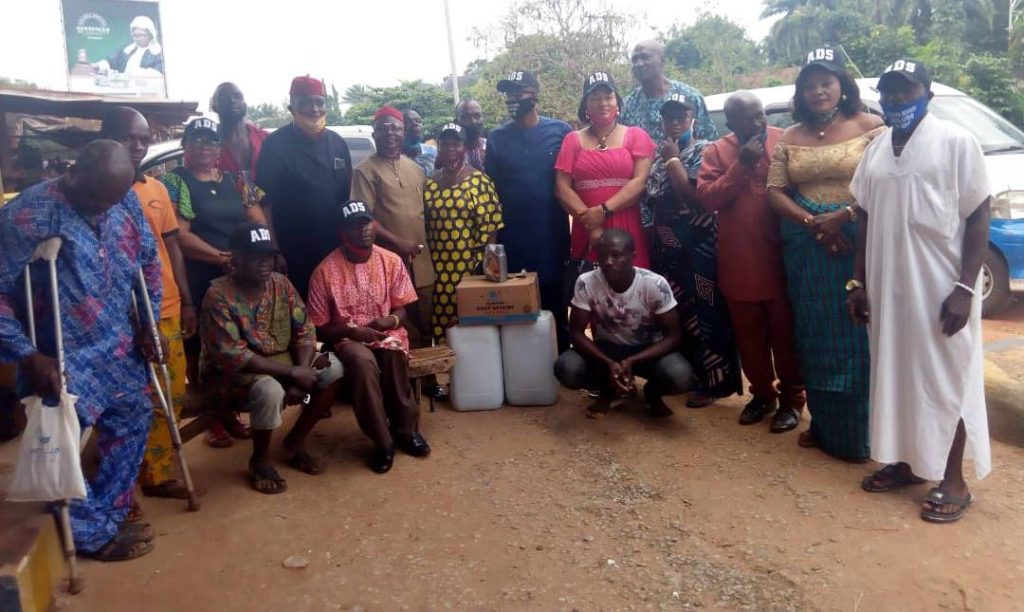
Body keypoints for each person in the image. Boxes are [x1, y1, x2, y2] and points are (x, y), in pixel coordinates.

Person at [0, 140, 163, 561]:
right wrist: (27, 354)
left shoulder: (122, 201)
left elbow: (148, 261)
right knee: (60, 441)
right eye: (94, 198)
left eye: (109, 200)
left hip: (119, 344)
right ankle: (87, 533)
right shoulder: (27, 213)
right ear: (72, 172)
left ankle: (108, 512)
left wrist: (148, 322)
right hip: (60, 354)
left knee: (135, 416)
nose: (100, 208)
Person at [849, 59, 992, 522]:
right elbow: (863, 216)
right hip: (889, 289)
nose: (895, 100)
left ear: (927, 94)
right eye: (888, 91)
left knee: (948, 376)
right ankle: (909, 463)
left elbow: (978, 214)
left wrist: (964, 288)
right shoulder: (875, 151)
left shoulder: (956, 142)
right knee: (896, 373)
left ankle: (953, 480)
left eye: (906, 91)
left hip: (940, 287)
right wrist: (857, 282)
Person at [766, 47, 886, 458]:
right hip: (808, 250)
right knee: (814, 336)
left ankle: (866, 432)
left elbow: (886, 186)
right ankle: (823, 424)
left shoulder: (871, 127)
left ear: (842, 86)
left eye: (826, 83)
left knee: (858, 334)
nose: (818, 92)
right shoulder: (789, 135)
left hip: (857, 242)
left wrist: (845, 215)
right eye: (810, 85)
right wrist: (814, 223)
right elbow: (775, 192)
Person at [100, 107, 200, 507]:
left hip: (165, 306)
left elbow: (172, 245)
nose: (138, 145)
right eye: (129, 137)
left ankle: (156, 472)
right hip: (114, 315)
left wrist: (187, 299)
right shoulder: (99, 187)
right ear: (107, 137)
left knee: (170, 390)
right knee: (124, 399)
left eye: (143, 138)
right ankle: (120, 482)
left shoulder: (156, 190)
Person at [201, 223, 343, 494]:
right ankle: (260, 460)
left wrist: (301, 373)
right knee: (269, 390)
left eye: (268, 256)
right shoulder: (218, 295)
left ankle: (294, 443)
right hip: (232, 373)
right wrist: (291, 374)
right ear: (236, 259)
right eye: (255, 257)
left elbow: (304, 330)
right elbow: (233, 355)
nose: (264, 263)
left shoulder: (281, 283)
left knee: (332, 367)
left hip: (282, 361)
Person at [698, 92, 806, 430]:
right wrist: (741, 164)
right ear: (731, 124)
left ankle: (792, 400)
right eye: (748, 118)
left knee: (786, 337)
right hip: (739, 262)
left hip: (782, 259)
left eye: (759, 114)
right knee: (750, 338)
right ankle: (762, 395)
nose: (758, 123)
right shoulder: (716, 151)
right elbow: (707, 198)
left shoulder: (783, 140)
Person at [161, 117, 266, 448]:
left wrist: (255, 253)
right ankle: (213, 420)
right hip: (199, 274)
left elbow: (258, 219)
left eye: (211, 141)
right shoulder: (176, 182)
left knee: (235, 345)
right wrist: (223, 257)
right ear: (185, 145)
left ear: (220, 147)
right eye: (197, 140)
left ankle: (229, 411)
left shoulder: (237, 181)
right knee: (199, 349)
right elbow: (178, 236)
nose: (205, 147)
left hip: (237, 277)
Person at [306, 201, 430, 474]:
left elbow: (403, 308)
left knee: (393, 350)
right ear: (342, 232)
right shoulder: (324, 271)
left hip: (387, 332)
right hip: (347, 338)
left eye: (367, 223)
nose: (364, 230)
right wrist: (351, 331)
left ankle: (406, 431)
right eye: (355, 225)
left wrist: (389, 321)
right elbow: (319, 327)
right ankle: (382, 442)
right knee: (362, 363)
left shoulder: (391, 261)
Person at [640, 94, 741, 408]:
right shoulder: (657, 156)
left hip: (698, 246)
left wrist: (672, 160)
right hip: (666, 249)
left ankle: (715, 384)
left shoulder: (705, 151)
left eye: (681, 116)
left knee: (707, 310)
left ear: (693, 117)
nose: (674, 123)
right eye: (668, 117)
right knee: (676, 311)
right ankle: (688, 375)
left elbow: (694, 199)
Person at [554, 229, 691, 419]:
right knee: (567, 367)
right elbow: (576, 333)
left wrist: (633, 360)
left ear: (633, 256)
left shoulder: (654, 284)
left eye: (616, 255)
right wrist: (608, 361)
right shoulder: (587, 282)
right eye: (602, 256)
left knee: (680, 376)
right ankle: (607, 390)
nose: (608, 261)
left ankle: (653, 393)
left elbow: (674, 337)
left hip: (647, 351)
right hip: (608, 351)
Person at [486, 70, 573, 351]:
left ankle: (561, 365)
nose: (512, 99)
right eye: (508, 93)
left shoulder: (560, 131)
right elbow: (492, 192)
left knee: (555, 305)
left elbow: (572, 182)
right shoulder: (497, 137)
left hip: (552, 236)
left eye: (518, 92)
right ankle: (525, 367)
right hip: (514, 239)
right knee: (519, 308)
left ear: (534, 95)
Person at [257, 75, 352, 298]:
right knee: (298, 314)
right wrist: (273, 250)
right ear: (292, 106)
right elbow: (265, 203)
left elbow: (345, 199)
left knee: (333, 311)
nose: (314, 108)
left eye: (319, 102)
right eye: (306, 102)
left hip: (333, 250)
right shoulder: (274, 145)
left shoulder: (338, 144)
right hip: (291, 253)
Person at [351, 107, 434, 359]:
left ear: (403, 132)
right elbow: (364, 220)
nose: (390, 133)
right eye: (383, 128)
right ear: (374, 134)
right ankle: (405, 379)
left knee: (426, 319)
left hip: (422, 262)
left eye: (395, 128)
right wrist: (399, 243)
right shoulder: (365, 171)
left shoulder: (416, 169)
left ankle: (427, 377)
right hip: (390, 263)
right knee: (401, 322)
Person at [555, 71, 656, 273]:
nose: (603, 103)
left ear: (617, 101)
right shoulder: (572, 140)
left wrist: (603, 211)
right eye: (595, 98)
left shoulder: (636, 136)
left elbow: (639, 182)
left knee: (631, 292)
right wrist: (592, 224)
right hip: (588, 228)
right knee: (590, 296)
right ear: (586, 105)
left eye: (608, 97)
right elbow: (561, 188)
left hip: (626, 227)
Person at [425, 123, 504, 342]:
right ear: (438, 147)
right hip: (437, 271)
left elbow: (492, 228)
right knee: (442, 327)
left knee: (471, 326)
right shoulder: (429, 183)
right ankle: (445, 376)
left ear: (465, 147)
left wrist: (490, 270)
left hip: (470, 268)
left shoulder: (479, 181)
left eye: (456, 143)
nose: (450, 148)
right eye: (445, 143)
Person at [621, 40, 716, 143]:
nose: (639, 64)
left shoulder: (690, 97)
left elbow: (710, 144)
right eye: (634, 60)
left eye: (645, 57)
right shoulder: (627, 106)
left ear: (662, 61)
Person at [212, 82, 270, 181]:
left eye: (237, 96)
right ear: (214, 106)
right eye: (224, 97)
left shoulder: (267, 139)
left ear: (245, 103)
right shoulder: (205, 148)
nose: (232, 100)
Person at [93, 16, 164, 75]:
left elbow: (157, 73)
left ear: (150, 34)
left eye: (141, 35)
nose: (138, 38)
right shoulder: (127, 49)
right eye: (135, 35)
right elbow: (110, 62)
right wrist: (99, 66)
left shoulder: (157, 53)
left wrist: (136, 73)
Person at [403, 108, 438, 178]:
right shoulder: (394, 157)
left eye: (418, 121)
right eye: (408, 122)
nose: (415, 124)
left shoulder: (434, 152)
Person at [455, 99, 487, 170]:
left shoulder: (493, 147)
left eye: (477, 116)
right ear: (456, 122)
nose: (473, 121)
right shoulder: (450, 153)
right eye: (466, 117)